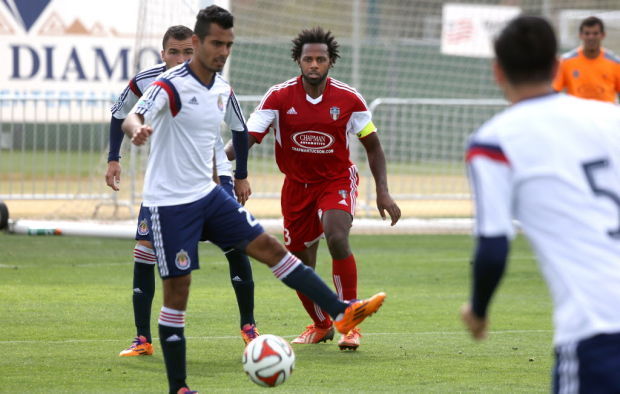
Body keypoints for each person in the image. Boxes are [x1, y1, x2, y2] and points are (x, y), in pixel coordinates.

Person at [122, 6, 386, 394]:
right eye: (216, 43)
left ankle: (342, 312)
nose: (223, 52)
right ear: (196, 42)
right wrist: (137, 130)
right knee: (178, 294)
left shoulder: (222, 89)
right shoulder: (170, 85)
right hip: (169, 204)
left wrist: (232, 175)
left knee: (271, 248)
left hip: (209, 195)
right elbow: (134, 115)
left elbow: (231, 139)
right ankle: (178, 387)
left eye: (229, 45)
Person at [460, 15, 620, 393]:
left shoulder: (494, 141)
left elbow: (494, 245)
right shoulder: (611, 118)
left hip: (599, 330)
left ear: (497, 72)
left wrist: (478, 310)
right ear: (555, 66)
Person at [226, 27, 400, 350]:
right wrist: (220, 167)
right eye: (308, 59)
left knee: (336, 235)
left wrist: (383, 192)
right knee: (298, 263)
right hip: (296, 188)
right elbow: (245, 138)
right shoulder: (278, 97)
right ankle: (322, 324)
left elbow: (374, 147)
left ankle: (351, 322)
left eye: (321, 59)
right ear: (298, 61)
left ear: (331, 62)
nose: (314, 65)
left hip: (336, 180)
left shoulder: (349, 99)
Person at [106, 25, 259, 358]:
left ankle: (249, 327)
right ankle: (142, 339)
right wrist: (113, 159)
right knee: (144, 251)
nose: (180, 58)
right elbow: (120, 114)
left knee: (235, 245)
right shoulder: (147, 82)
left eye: (187, 52)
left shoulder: (217, 84)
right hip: (165, 183)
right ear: (162, 54)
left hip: (213, 175)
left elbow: (240, 128)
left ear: (196, 50)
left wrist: (241, 176)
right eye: (173, 52)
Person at [552, 16, 620, 103]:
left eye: (595, 33)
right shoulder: (566, 61)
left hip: (605, 115)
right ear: (580, 35)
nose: (591, 37)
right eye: (587, 33)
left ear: (603, 35)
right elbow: (554, 91)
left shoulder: (615, 63)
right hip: (577, 115)